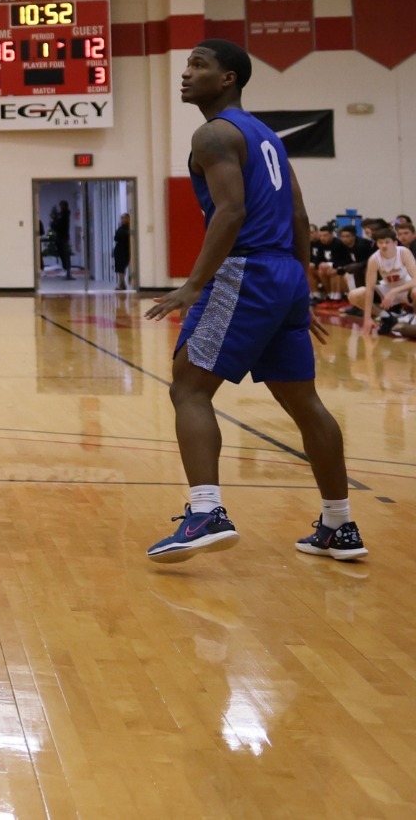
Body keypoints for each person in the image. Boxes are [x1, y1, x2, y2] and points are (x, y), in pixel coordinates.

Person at [142, 40, 365, 563]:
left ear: (228, 79)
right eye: (188, 64)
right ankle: (339, 524)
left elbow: (231, 210)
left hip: (243, 272)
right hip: (283, 275)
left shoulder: (213, 133)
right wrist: (300, 288)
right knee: (305, 403)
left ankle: (205, 513)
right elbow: (301, 216)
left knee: (189, 389)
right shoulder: (267, 138)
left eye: (199, 65)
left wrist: (196, 283)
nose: (187, 73)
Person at [347, 226, 416, 334]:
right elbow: (369, 289)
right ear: (377, 244)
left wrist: (394, 292)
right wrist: (367, 318)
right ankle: (387, 317)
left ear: (395, 243)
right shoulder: (374, 259)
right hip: (388, 289)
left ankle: (414, 319)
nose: (384, 245)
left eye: (387, 242)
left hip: (406, 288)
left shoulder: (403, 252)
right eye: (380, 242)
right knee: (354, 295)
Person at [50, 199, 75, 278]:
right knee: (62, 253)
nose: (60, 207)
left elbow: (60, 224)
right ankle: (66, 270)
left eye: (61, 205)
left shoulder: (65, 214)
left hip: (62, 236)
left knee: (64, 254)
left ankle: (68, 271)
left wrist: (55, 220)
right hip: (61, 236)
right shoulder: (62, 214)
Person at [113, 211, 133, 290]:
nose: (123, 220)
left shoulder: (129, 228)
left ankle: (122, 284)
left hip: (126, 250)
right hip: (119, 250)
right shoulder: (121, 228)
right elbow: (116, 238)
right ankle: (122, 284)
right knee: (119, 267)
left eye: (124, 218)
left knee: (122, 266)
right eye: (122, 218)